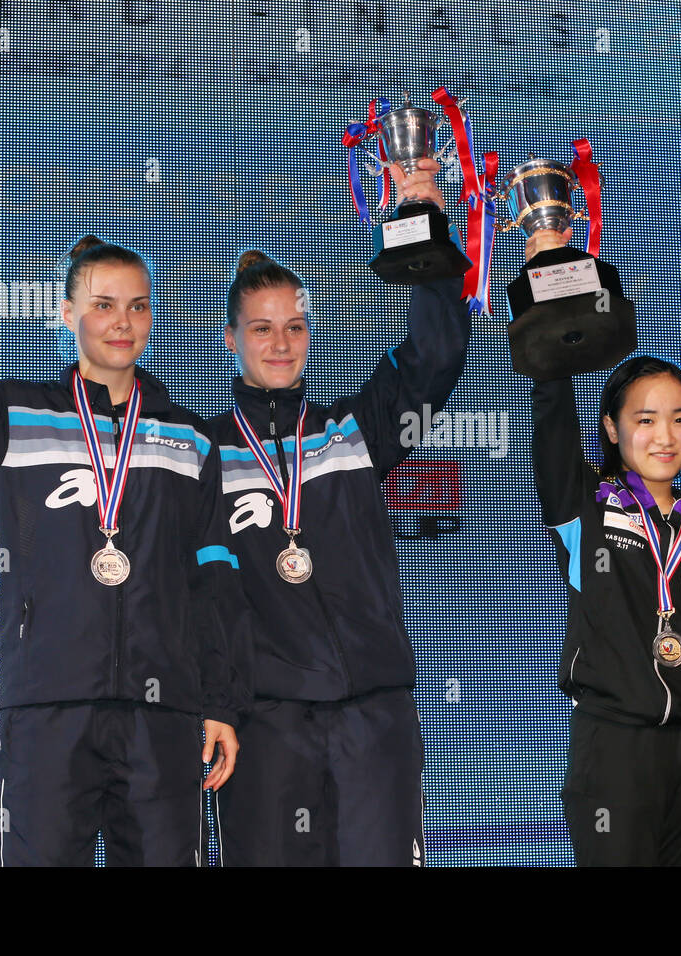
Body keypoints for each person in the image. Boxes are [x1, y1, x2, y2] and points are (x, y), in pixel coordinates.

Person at [0, 192, 248, 866]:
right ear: (67, 314)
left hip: (165, 720)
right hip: (48, 715)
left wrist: (222, 703)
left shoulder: (190, 441)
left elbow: (212, 584)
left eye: (137, 305)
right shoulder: (14, 415)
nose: (122, 322)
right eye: (103, 304)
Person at [208, 157, 470, 866]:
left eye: (295, 326)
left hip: (372, 715)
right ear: (230, 338)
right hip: (264, 723)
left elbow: (436, 354)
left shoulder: (353, 432)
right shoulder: (198, 454)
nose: (281, 343)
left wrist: (421, 221)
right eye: (261, 329)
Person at [527, 227, 681, 866]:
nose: (665, 435)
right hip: (616, 752)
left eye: (680, 418)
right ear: (611, 429)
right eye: (645, 419)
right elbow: (553, 421)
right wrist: (549, 280)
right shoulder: (586, 511)